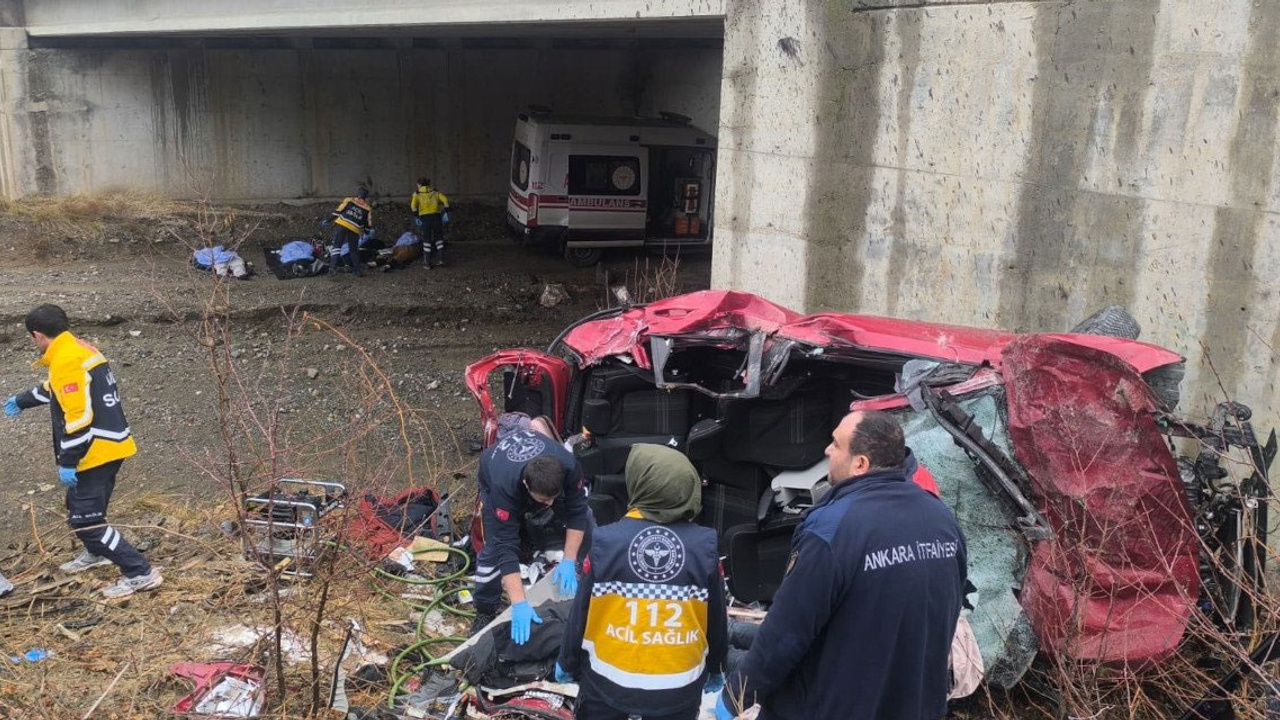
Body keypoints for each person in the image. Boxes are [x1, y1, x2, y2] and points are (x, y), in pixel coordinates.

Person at [718, 410, 966, 720]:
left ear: (860, 464)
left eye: (836, 444)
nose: (826, 450)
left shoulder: (831, 530)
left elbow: (787, 632)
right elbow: (947, 612)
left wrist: (734, 697)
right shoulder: (941, 520)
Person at [556, 444, 727, 720]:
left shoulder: (606, 542)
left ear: (640, 484)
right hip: (678, 691)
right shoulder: (705, 547)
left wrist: (567, 661)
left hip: (607, 686)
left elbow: (581, 615)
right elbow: (717, 619)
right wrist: (717, 665)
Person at [4, 305, 163, 599]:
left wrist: (68, 461)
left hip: (97, 450)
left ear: (37, 335)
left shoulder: (65, 360)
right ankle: (96, 553)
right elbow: (57, 388)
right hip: (112, 441)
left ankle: (140, 572)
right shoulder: (79, 349)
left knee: (88, 521)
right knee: (75, 505)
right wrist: (22, 400)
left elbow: (78, 417)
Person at [472, 427, 593, 644]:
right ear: (527, 486)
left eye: (553, 498)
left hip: (541, 475)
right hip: (493, 473)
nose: (550, 505)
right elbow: (505, 547)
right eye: (544, 500)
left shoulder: (568, 465)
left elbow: (578, 512)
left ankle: (587, 577)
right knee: (492, 551)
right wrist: (519, 603)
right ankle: (484, 608)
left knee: (588, 520)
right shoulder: (504, 486)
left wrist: (568, 559)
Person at [328, 186, 373, 277]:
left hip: (342, 225)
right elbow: (368, 224)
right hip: (355, 229)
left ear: (357, 194)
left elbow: (338, 211)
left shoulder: (349, 200)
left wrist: (328, 220)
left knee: (337, 246)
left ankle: (332, 268)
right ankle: (357, 271)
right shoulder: (367, 208)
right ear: (365, 197)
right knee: (353, 249)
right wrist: (367, 231)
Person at [410, 178, 449, 267]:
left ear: (419, 184)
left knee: (426, 240)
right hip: (436, 217)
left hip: (425, 219)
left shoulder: (417, 194)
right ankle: (441, 260)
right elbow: (445, 199)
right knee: (439, 238)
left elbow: (413, 206)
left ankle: (427, 263)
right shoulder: (435, 192)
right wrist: (446, 211)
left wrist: (416, 217)